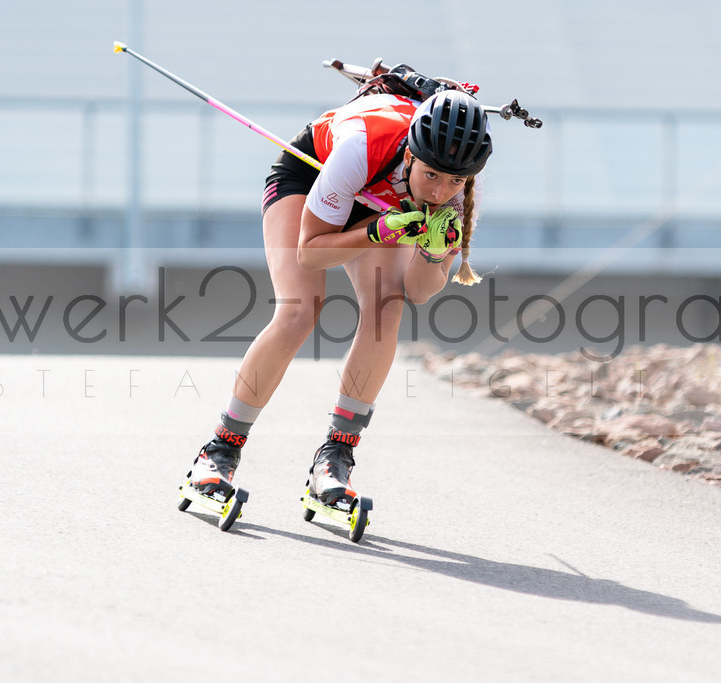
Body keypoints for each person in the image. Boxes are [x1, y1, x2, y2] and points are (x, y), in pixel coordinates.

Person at [186, 81, 492, 508]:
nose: (439, 192)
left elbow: (420, 291)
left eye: (455, 180)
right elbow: (310, 254)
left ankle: (335, 456)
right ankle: (220, 449)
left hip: (380, 201)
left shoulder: (453, 198)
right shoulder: (360, 148)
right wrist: (377, 231)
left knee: (387, 307)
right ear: (410, 156)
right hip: (311, 175)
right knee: (300, 309)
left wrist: (433, 251)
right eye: (431, 176)